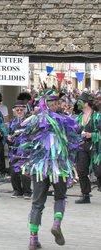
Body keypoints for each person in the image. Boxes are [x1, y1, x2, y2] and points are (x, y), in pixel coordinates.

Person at [14, 89, 81, 249]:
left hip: (39, 167)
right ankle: (56, 223)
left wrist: (27, 164)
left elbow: (25, 141)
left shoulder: (35, 120)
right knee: (60, 197)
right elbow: (73, 142)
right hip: (59, 167)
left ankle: (33, 239)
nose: (61, 105)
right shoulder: (64, 120)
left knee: (37, 203)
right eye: (58, 103)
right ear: (55, 104)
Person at [75, 92, 101, 203]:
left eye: (79, 101)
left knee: (98, 171)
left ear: (86, 103)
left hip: (95, 148)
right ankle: (85, 194)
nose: (77, 103)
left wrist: (92, 135)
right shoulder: (79, 117)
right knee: (81, 170)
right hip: (82, 147)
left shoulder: (97, 116)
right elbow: (75, 132)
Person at [7, 100, 32, 199]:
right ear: (14, 110)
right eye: (17, 109)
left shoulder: (29, 121)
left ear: (25, 110)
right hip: (14, 150)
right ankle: (17, 190)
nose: (19, 110)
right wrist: (8, 137)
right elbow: (8, 134)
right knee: (14, 172)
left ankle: (27, 191)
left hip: (25, 150)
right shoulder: (12, 122)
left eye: (21, 109)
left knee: (25, 171)